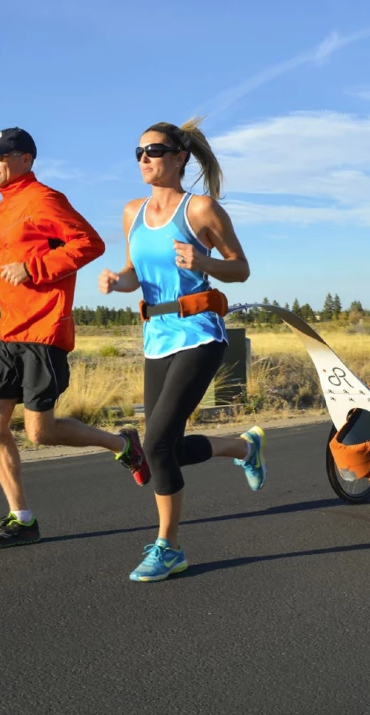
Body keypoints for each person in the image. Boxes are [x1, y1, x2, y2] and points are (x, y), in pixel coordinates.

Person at [98, 117, 265, 582]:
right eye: (138, 153)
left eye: (153, 151)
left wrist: (203, 259)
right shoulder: (132, 212)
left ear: (179, 157)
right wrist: (118, 281)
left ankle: (169, 547)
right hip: (157, 337)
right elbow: (135, 272)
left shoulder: (201, 211)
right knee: (160, 449)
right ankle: (242, 447)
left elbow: (241, 268)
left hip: (200, 334)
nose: (144, 159)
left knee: (154, 445)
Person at [0, 127, 151, 551]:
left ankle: (121, 443)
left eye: (1, 156)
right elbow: (16, 259)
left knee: (41, 432)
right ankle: (22, 519)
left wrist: (34, 269)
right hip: (9, 331)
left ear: (27, 160)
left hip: (43, 332)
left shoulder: (43, 198)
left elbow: (89, 243)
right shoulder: (3, 209)